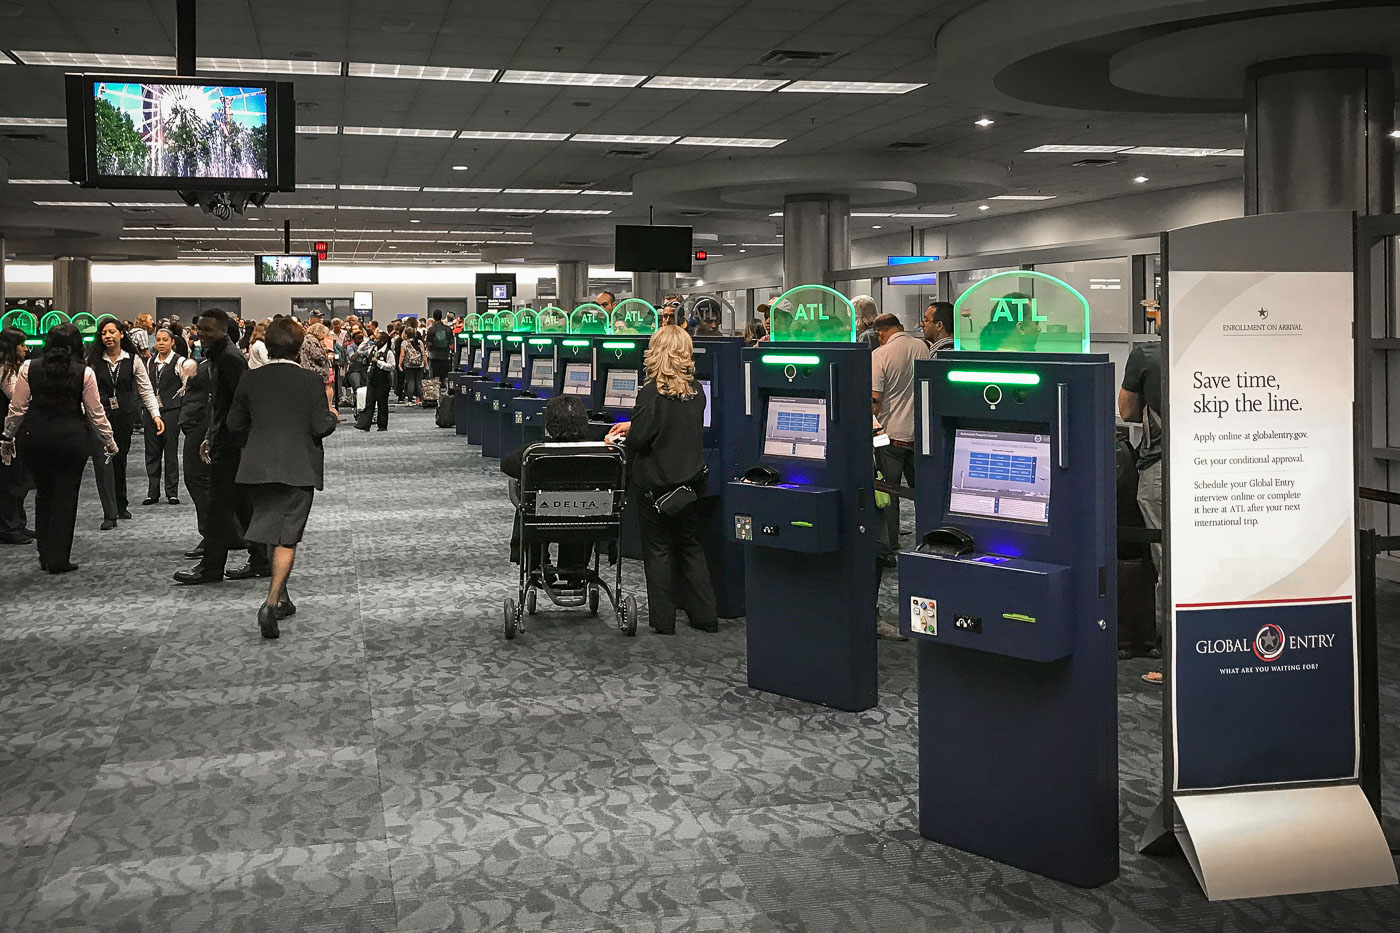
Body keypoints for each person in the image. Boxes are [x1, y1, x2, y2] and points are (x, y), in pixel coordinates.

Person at [227, 318, 338, 639]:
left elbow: (234, 424)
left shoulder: (250, 379)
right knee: (287, 537)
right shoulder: (310, 381)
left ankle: (283, 596)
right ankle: (271, 602)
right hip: (297, 466)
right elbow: (320, 427)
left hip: (258, 467)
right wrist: (331, 417)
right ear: (298, 345)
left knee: (270, 530)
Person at [604, 325, 718, 635]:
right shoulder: (697, 391)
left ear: (657, 352)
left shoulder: (651, 391)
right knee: (691, 547)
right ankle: (705, 616)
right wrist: (635, 423)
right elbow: (673, 424)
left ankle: (664, 621)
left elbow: (641, 440)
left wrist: (625, 433)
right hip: (689, 485)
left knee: (658, 551)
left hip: (654, 487)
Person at [2, 324, 118, 573]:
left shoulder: (27, 368)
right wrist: (108, 440)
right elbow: (95, 413)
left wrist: (7, 438)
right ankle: (58, 557)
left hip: (35, 436)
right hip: (71, 438)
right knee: (66, 497)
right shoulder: (84, 372)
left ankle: (44, 554)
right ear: (76, 344)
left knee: (43, 494)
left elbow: (17, 409)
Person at [174, 309, 270, 586]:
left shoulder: (229, 358)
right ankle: (260, 558)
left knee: (218, 508)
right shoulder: (218, 356)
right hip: (225, 440)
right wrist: (209, 435)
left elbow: (241, 403)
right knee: (241, 506)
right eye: (199, 330)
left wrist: (227, 439)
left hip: (232, 445)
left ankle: (211, 567)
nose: (201, 335)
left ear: (224, 331)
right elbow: (220, 404)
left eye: (208, 331)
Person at [1120, 299, 1165, 685]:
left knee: (1166, 560)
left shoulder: (1146, 354)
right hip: (1216, 464)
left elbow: (1128, 412)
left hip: (1161, 465)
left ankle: (1174, 659)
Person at [871, 311, 930, 591]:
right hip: (920, 435)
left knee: (889, 495)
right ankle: (928, 543)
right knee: (923, 494)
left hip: (890, 435)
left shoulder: (880, 355)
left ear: (881, 333)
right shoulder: (922, 346)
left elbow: (875, 400)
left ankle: (890, 548)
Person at [501, 395, 594, 572]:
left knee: (527, 502)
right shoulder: (600, 453)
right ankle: (575, 568)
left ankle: (537, 565)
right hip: (587, 522)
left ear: (549, 424)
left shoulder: (535, 452)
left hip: (542, 521)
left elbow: (507, 464)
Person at [88, 317, 164, 529]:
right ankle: (109, 513)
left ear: (122, 334)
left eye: (112, 332)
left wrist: (155, 415)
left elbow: (145, 389)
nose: (108, 336)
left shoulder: (133, 360)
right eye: (104, 333)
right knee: (104, 462)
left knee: (120, 460)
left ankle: (121, 503)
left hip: (124, 417)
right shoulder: (94, 361)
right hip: (100, 416)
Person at [142, 327, 195, 506]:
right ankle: (152, 492)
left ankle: (171, 492)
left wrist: (180, 400)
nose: (161, 343)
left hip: (172, 411)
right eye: (158, 340)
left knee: (170, 451)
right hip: (151, 412)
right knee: (151, 452)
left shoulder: (180, 361)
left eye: (165, 340)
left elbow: (188, 384)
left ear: (172, 342)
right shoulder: (149, 363)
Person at [0, 328, 34, 544]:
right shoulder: (5, 370)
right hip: (6, 432)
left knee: (19, 480)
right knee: (9, 481)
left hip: (18, 430)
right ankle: (8, 526)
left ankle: (18, 523)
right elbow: (16, 397)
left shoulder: (16, 368)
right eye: (21, 345)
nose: (25, 348)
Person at [179, 356, 214, 560]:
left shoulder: (221, 363)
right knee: (201, 481)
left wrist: (208, 434)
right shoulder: (205, 362)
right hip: (197, 425)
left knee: (198, 480)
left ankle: (212, 534)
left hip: (203, 428)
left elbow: (217, 401)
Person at [355, 331, 395, 431]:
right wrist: (368, 339)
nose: (375, 340)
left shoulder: (388, 352)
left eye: (377, 339)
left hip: (383, 380)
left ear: (383, 341)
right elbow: (360, 350)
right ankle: (365, 424)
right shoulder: (372, 349)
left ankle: (382, 425)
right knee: (369, 402)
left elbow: (391, 366)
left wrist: (379, 363)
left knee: (382, 403)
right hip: (371, 378)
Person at [425, 310, 454, 392]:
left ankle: (436, 394)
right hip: (445, 355)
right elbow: (452, 344)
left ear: (434, 317)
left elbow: (428, 344)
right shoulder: (448, 329)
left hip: (434, 356)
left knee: (435, 377)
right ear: (441, 317)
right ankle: (448, 392)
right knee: (446, 376)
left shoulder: (431, 330)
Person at [398, 323, 426, 405]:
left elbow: (402, 354)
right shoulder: (419, 342)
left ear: (406, 334)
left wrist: (400, 364)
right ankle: (420, 399)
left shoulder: (404, 343)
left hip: (409, 365)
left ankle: (410, 400)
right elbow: (423, 353)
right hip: (419, 364)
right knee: (419, 382)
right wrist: (426, 364)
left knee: (410, 382)